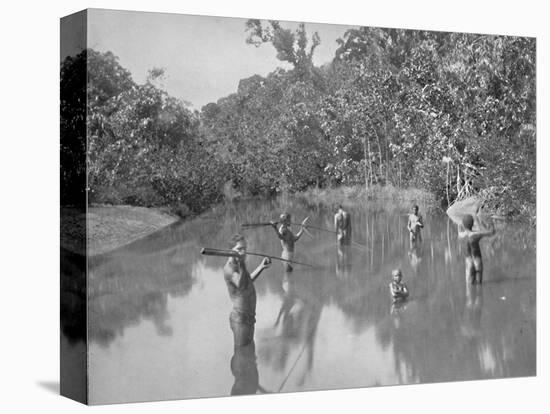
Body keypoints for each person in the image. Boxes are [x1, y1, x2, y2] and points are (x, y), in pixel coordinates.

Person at [223, 234, 271, 347]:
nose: (243, 252)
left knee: (249, 350)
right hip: (240, 320)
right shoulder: (229, 268)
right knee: (240, 353)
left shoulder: (238, 265)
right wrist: (242, 262)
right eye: (239, 249)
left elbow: (247, 282)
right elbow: (240, 284)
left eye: (245, 248)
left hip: (249, 318)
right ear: (230, 251)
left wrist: (260, 267)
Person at [458, 214, 495, 284]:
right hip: (477, 260)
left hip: (468, 261)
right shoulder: (476, 235)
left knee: (469, 286)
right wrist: (491, 222)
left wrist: (460, 224)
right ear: (472, 224)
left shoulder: (461, 236)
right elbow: (492, 232)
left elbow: (460, 229)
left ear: (463, 225)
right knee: (479, 284)